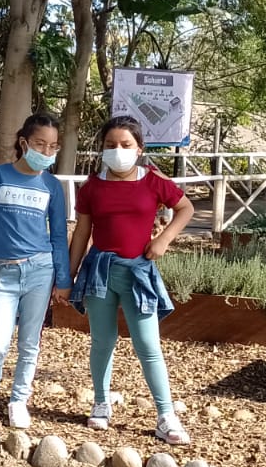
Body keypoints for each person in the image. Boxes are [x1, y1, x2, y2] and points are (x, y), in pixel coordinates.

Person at [66, 116, 194, 446]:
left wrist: (163, 240)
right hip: (100, 272)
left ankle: (166, 415)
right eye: (110, 145)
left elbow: (185, 208)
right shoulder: (92, 186)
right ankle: (101, 402)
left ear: (139, 149)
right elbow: (82, 231)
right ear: (101, 149)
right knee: (102, 341)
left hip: (138, 272)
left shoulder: (153, 181)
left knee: (148, 345)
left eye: (125, 145)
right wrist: (67, 275)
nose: (118, 150)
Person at [0, 114, 71, 428]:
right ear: (24, 143)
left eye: (52, 147)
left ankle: (19, 398)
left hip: (40, 270)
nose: (46, 152)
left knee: (29, 341)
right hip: (1, 273)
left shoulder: (52, 185)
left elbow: (59, 235)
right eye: (39, 144)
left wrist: (63, 279)